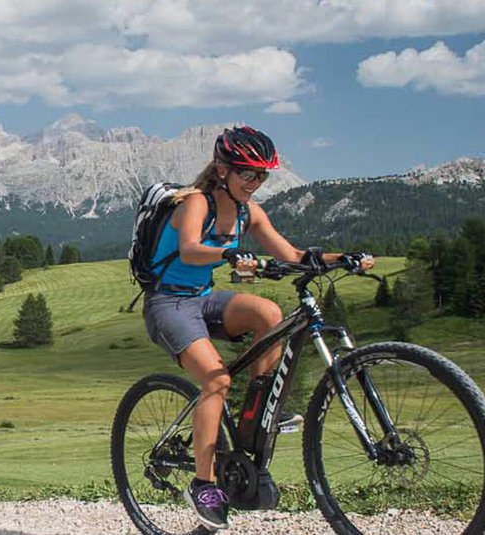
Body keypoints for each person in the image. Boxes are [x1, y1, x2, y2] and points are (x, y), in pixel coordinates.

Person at [141, 126, 374, 530]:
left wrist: (343, 258)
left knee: (268, 312)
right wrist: (231, 254)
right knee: (215, 380)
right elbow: (190, 249)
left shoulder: (251, 212)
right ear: (222, 171)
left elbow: (295, 254)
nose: (255, 182)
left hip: (203, 297)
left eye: (261, 175)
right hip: (168, 303)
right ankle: (203, 484)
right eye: (247, 174)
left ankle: (256, 412)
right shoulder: (198, 202)